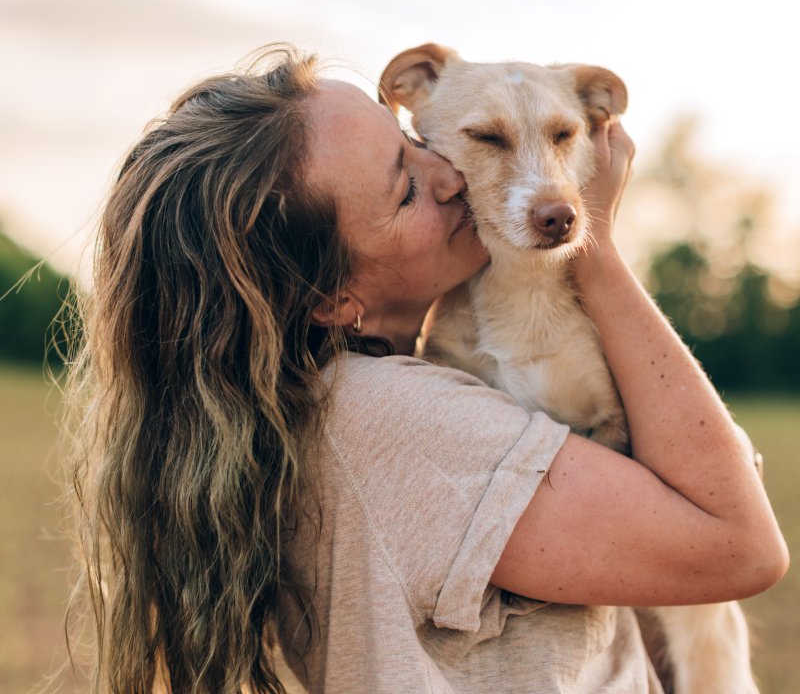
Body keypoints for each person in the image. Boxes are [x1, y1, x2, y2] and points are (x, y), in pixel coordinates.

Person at [66, 45, 788, 694]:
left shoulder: (326, 397)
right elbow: (741, 543)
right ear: (330, 298)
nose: (445, 177)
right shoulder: (395, 420)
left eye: (412, 146)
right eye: (404, 189)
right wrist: (596, 249)